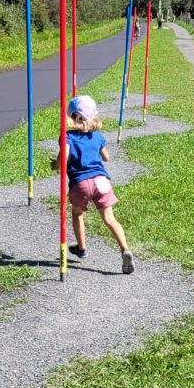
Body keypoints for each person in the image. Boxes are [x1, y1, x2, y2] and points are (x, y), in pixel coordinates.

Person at [52, 95, 134, 273]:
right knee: (109, 219)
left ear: (72, 116)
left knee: (77, 213)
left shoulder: (67, 136)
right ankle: (125, 249)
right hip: (101, 181)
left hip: (81, 183)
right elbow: (107, 157)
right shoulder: (97, 136)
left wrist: (56, 165)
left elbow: (64, 158)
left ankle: (81, 249)